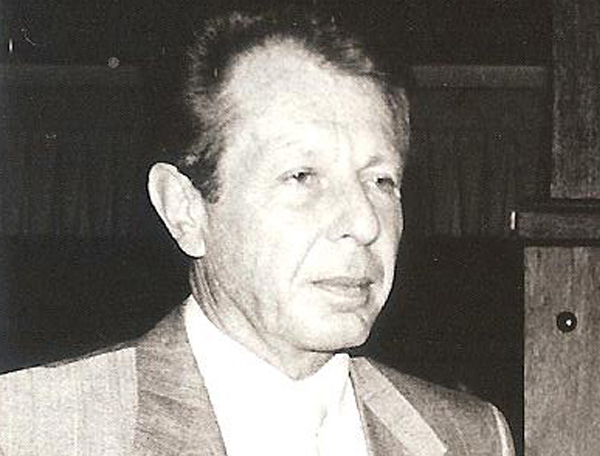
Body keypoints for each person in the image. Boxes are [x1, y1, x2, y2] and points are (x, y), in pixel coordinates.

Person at [0, 5, 515, 455]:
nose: (364, 223)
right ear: (185, 210)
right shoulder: (33, 430)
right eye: (303, 176)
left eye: (380, 180)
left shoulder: (470, 437)